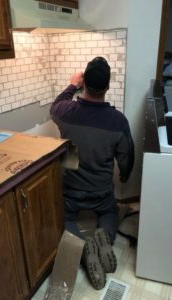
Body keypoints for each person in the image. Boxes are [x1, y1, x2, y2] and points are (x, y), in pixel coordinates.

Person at [50, 57, 134, 290]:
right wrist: (125, 175)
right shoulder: (118, 121)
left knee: (65, 218)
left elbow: (54, 105)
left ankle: (83, 247)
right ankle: (103, 239)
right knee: (109, 211)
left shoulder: (65, 112)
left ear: (84, 82)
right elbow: (126, 157)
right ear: (108, 87)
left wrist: (72, 84)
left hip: (71, 190)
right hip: (100, 191)